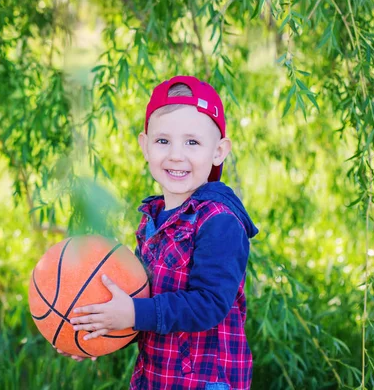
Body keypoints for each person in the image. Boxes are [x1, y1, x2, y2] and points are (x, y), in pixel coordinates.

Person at [59, 75, 258, 390]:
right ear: (145, 146)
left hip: (205, 382)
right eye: (163, 141)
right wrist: (101, 330)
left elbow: (208, 304)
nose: (176, 154)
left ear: (219, 151)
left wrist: (134, 313)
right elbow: (145, 305)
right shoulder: (151, 220)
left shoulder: (220, 221)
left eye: (192, 142)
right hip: (156, 379)